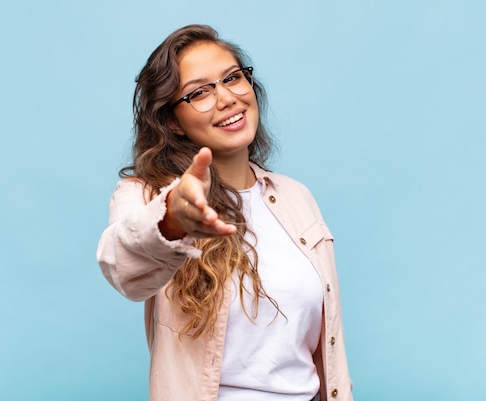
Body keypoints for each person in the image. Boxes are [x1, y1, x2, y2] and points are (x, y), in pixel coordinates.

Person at [96, 24, 353, 401]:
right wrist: (172, 220)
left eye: (232, 78)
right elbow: (123, 267)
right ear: (171, 120)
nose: (226, 98)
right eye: (199, 92)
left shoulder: (297, 197)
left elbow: (326, 350)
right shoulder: (146, 195)